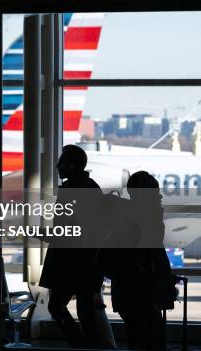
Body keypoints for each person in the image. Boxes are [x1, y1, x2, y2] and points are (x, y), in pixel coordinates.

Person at [39, 145, 105, 348]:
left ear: (73, 166)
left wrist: (47, 234)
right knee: (84, 312)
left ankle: (81, 344)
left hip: (73, 263)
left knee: (58, 306)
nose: (58, 167)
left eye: (62, 163)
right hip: (83, 262)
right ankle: (85, 345)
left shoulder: (74, 190)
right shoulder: (89, 188)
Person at [109, 171, 175, 351]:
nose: (160, 196)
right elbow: (151, 255)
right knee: (150, 336)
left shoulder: (129, 218)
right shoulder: (144, 220)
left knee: (137, 336)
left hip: (131, 292)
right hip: (141, 292)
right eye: (155, 193)